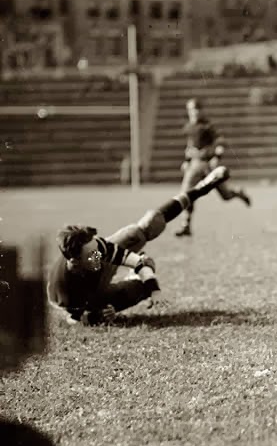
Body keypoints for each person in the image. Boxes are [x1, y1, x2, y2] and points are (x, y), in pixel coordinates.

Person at [47, 166, 228, 325]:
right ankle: (132, 281)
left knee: (144, 229)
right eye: (91, 254)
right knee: (138, 289)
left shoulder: (96, 251)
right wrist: (98, 315)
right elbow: (73, 319)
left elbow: (134, 260)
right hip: (93, 296)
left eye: (96, 250)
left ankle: (200, 189)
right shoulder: (66, 288)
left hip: (92, 283)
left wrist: (155, 289)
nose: (98, 256)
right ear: (74, 262)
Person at [174, 98, 251, 237]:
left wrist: (216, 156)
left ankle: (238, 193)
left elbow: (220, 141)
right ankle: (186, 225)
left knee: (225, 196)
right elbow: (190, 145)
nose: (194, 112)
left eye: (197, 109)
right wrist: (186, 160)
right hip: (195, 165)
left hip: (207, 165)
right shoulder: (188, 127)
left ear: (201, 111)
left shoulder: (207, 126)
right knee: (186, 194)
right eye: (191, 109)